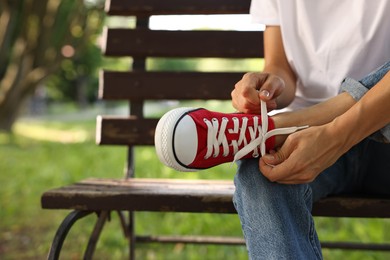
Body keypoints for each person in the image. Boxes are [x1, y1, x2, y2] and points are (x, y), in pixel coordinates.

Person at [154, 0, 390, 258]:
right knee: (264, 171)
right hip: (307, 142)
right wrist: (270, 85)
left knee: (269, 148)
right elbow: (280, 66)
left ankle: (285, 126)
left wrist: (334, 134)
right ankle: (283, 128)